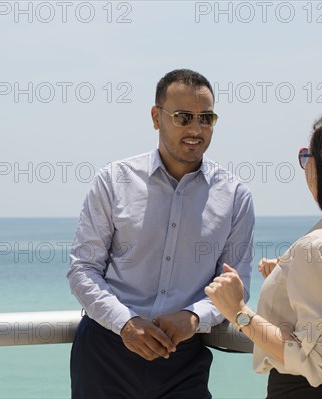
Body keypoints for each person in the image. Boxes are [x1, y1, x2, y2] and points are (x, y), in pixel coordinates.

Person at [66, 69, 255, 398]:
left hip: (183, 360)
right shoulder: (113, 181)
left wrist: (194, 316)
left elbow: (236, 284)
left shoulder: (235, 196)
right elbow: (83, 268)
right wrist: (125, 322)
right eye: (183, 117)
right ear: (157, 117)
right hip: (105, 353)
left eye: (206, 118)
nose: (196, 129)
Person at [205, 106, 322, 398]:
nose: (305, 167)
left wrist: (237, 312)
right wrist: (289, 276)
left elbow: (315, 362)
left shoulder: (319, 247)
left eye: (308, 156)